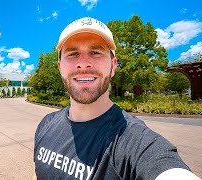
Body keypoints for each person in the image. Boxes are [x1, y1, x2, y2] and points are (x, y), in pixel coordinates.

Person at [33, 17, 200, 180]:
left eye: (96, 52)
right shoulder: (46, 124)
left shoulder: (136, 142)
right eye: (73, 53)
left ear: (113, 66)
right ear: (60, 67)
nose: (83, 63)